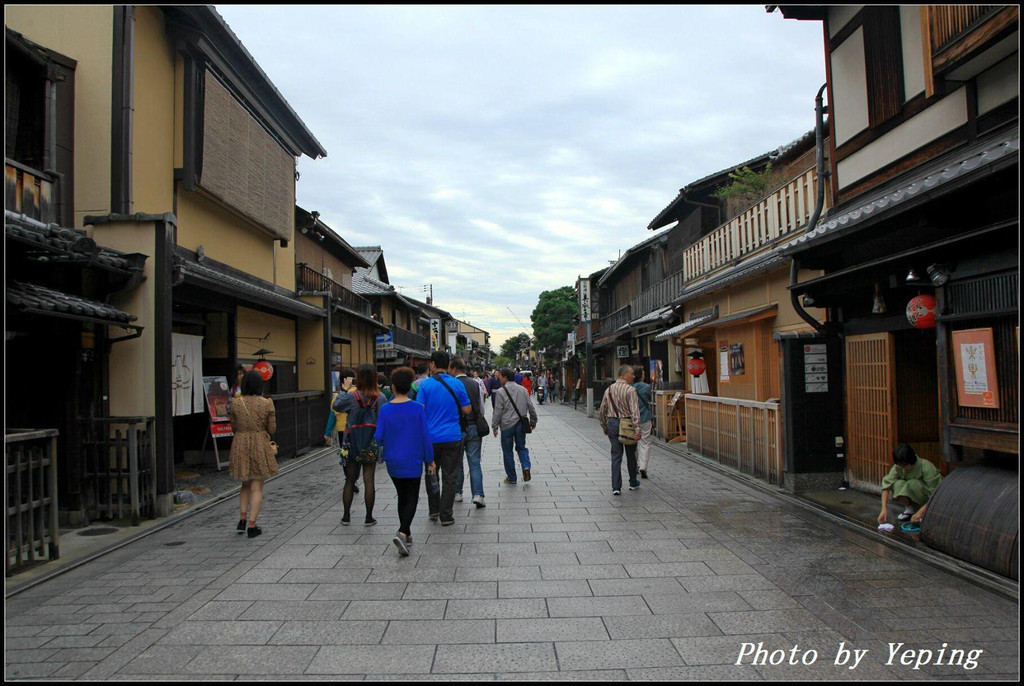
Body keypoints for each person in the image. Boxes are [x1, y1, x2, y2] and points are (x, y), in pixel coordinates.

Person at [374, 366, 436, 556]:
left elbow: (379, 436)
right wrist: (430, 460)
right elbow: (425, 436)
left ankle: (406, 534)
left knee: (402, 496)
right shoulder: (417, 408)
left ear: (392, 387)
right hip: (413, 458)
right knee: (412, 496)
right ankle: (402, 532)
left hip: (393, 460)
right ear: (410, 387)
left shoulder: (385, 409)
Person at [416, 351, 472, 526]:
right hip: (453, 436)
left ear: (432, 364)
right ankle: (446, 515)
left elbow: (420, 410)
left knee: (431, 473)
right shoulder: (457, 384)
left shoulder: (425, 386)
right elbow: (467, 410)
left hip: (430, 438)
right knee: (450, 476)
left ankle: (434, 509)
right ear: (448, 366)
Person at [332, 363, 388, 526]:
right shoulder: (380, 398)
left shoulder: (351, 397)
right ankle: (369, 517)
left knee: (350, 480)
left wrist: (346, 389)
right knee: (369, 479)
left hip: (351, 442)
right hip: (371, 443)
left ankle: (346, 516)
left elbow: (336, 405)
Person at [229, 370, 278, 538]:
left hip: (240, 442)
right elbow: (271, 429)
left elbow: (233, 425)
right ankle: (252, 525)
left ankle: (241, 519)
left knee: (245, 484)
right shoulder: (267, 403)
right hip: (258, 443)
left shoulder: (236, 403)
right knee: (257, 486)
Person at [598, 364, 641, 496]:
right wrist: (637, 428)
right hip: (627, 424)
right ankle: (633, 481)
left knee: (616, 455)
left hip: (612, 423)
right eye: (631, 374)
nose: (633, 376)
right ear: (624, 375)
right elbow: (635, 412)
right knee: (631, 454)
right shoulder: (630, 390)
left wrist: (604, 425)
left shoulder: (609, 389)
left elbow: (602, 409)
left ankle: (616, 486)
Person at [877, 442, 943, 527]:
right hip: (914, 498)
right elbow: (886, 486)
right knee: (897, 484)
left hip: (928, 501)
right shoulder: (898, 467)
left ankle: (924, 513)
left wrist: (920, 512)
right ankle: (909, 510)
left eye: (904, 466)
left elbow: (936, 495)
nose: (902, 468)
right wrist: (884, 509)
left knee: (912, 484)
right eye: (900, 466)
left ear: (911, 462)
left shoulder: (926, 467)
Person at [451, 357, 487, 508]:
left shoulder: (451, 384)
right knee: (474, 462)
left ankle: (458, 493)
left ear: (453, 369)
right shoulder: (475, 383)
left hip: (457, 427)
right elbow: (481, 407)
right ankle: (478, 494)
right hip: (473, 425)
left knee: (457, 462)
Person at [492, 367, 537, 485]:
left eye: (500, 377)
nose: (499, 379)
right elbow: (531, 407)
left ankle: (512, 477)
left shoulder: (501, 392)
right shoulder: (523, 390)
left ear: (506, 377)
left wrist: (495, 426)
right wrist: (533, 421)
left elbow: (498, 411)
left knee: (507, 451)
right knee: (521, 448)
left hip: (506, 425)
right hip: (520, 425)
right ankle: (526, 466)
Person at [324, 369, 359, 494]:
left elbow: (333, 415)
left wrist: (327, 432)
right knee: (350, 455)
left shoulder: (344, 395)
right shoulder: (355, 394)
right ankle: (352, 478)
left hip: (347, 430)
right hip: (350, 430)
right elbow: (333, 414)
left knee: (347, 455)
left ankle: (351, 478)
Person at [632, 365, 654, 479]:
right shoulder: (646, 387)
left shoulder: (628, 387)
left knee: (633, 442)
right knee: (645, 442)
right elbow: (649, 400)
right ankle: (643, 467)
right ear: (641, 375)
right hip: (644, 417)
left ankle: (634, 466)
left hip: (631, 419)